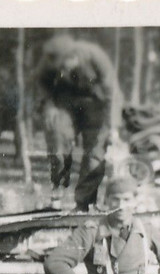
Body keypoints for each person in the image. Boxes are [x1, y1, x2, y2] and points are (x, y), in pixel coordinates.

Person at [35, 35, 123, 211]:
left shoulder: (96, 56)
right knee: (58, 139)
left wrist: (113, 127)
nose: (62, 68)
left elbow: (112, 92)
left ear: (74, 55)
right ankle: (57, 193)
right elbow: (42, 81)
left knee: (96, 151)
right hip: (66, 100)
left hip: (98, 102)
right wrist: (49, 104)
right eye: (59, 66)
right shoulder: (50, 59)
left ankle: (84, 203)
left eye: (66, 63)